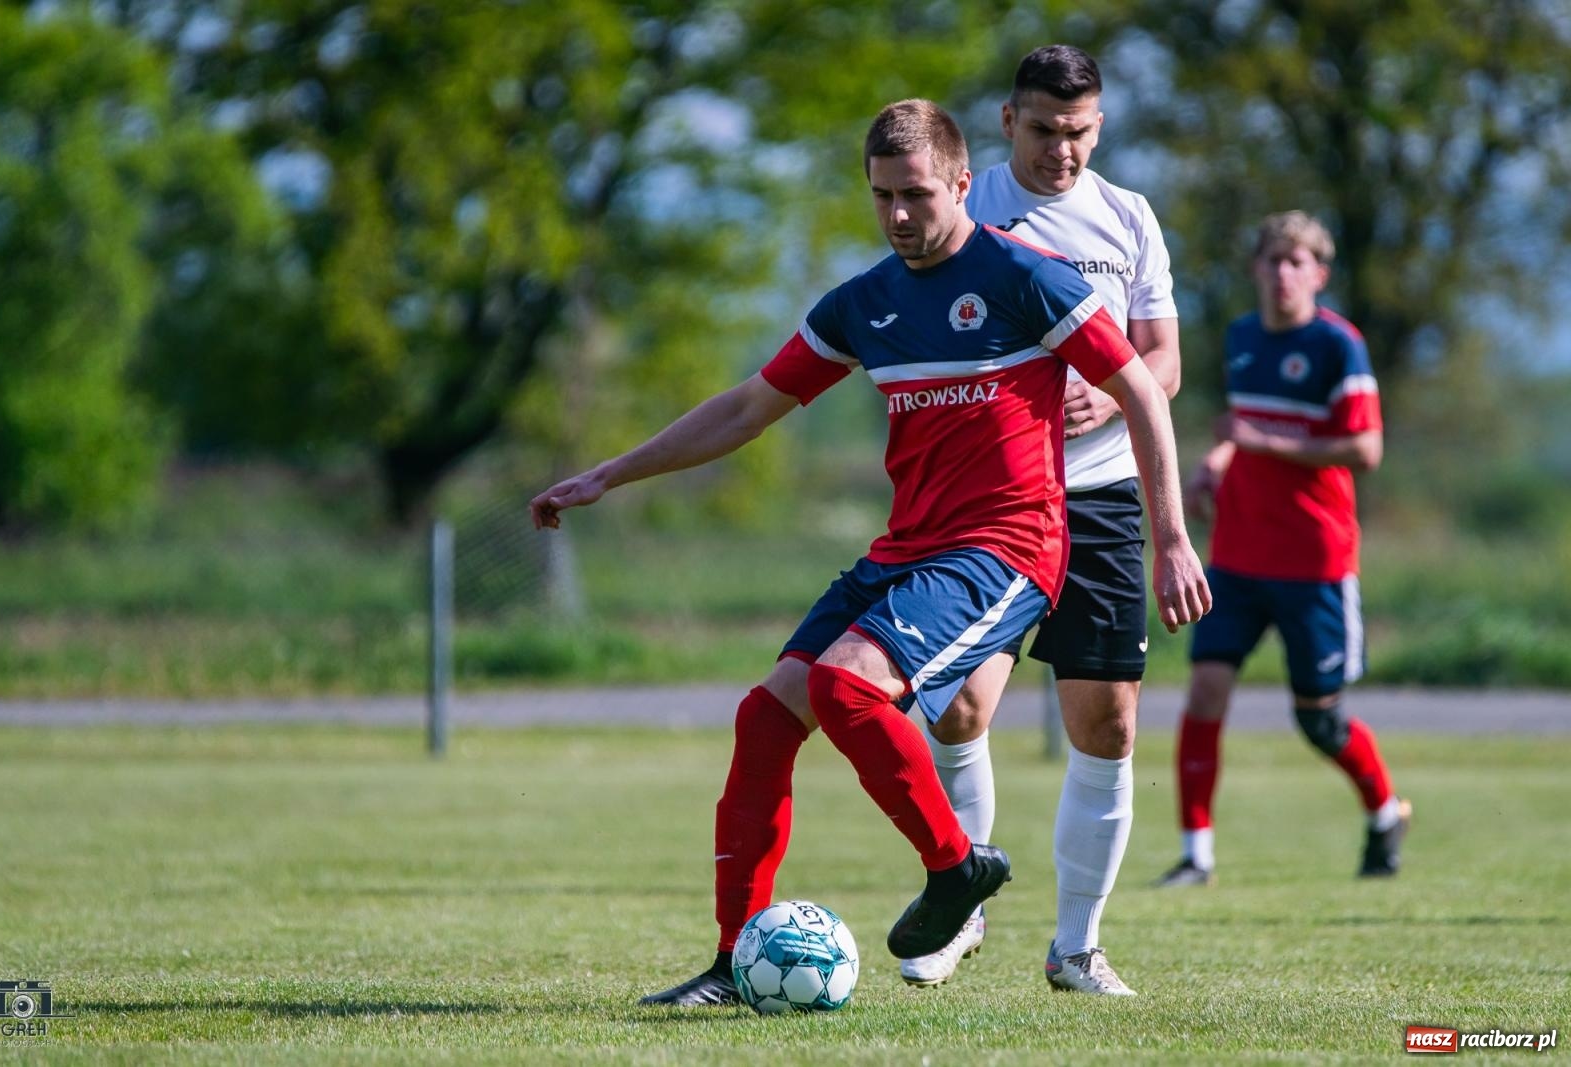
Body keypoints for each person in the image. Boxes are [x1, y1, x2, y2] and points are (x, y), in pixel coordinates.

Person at [530, 98, 1211, 1008]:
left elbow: (1139, 383)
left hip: (1009, 545)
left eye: (916, 195)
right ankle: (735, 963)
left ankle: (958, 870)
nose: (897, 216)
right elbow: (745, 408)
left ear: (963, 184)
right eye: (882, 196)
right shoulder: (864, 302)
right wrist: (609, 474)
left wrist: (1170, 535)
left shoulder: (1024, 276)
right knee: (765, 717)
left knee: (847, 686)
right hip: (908, 550)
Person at [896, 45, 1182, 996]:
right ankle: (960, 909)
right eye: (1047, 130)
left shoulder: (1129, 217)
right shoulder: (965, 214)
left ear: (1099, 125)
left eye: (1082, 131)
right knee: (964, 703)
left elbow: (1162, 367)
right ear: (1008, 119)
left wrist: (1108, 402)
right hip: (994, 503)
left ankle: (1075, 946)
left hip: (1099, 502)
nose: (1065, 150)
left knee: (1106, 725)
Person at [1155, 210, 1410, 889]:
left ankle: (1385, 811)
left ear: (1319, 275)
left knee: (1318, 720)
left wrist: (1263, 441)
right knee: (1206, 688)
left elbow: (1366, 448)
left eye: (1296, 261)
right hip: (1237, 555)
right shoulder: (1242, 337)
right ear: (1255, 269)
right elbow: (1241, 429)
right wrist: (1215, 463)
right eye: (1272, 259)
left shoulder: (1337, 346)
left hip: (1315, 561)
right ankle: (1196, 855)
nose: (1282, 272)